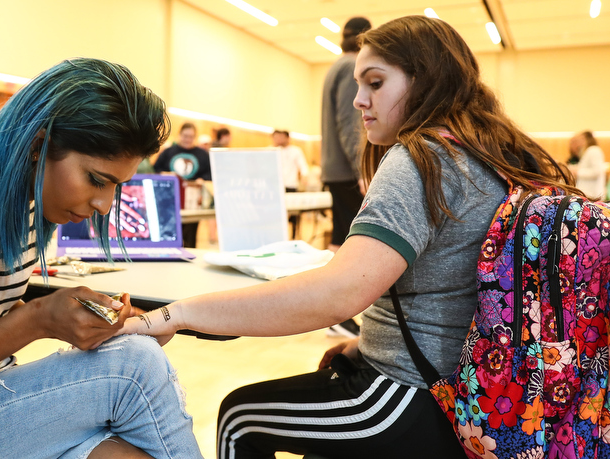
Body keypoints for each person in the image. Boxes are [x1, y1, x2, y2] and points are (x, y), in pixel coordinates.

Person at [120, 16, 579, 459]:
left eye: (375, 83)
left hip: (408, 392)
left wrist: (177, 313)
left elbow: (337, 294)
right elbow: (455, 290)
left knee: (240, 417)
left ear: (425, 81)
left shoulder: (420, 157)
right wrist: (362, 343)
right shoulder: (492, 158)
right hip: (478, 393)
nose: (359, 99)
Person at [0, 58, 202, 459]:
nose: (103, 204)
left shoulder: (25, 203)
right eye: (97, 180)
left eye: (117, 187)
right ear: (39, 145)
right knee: (135, 367)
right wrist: (38, 318)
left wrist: (86, 320)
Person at [320, 17, 371, 253]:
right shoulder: (352, 66)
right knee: (352, 244)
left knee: (339, 239)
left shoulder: (336, 66)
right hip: (347, 170)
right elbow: (350, 123)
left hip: (335, 168)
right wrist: (362, 170)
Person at [569, 130, 606, 200]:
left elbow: (596, 171)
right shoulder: (587, 151)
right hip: (588, 193)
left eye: (581, 139)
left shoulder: (593, 150)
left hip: (593, 194)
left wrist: (577, 172)